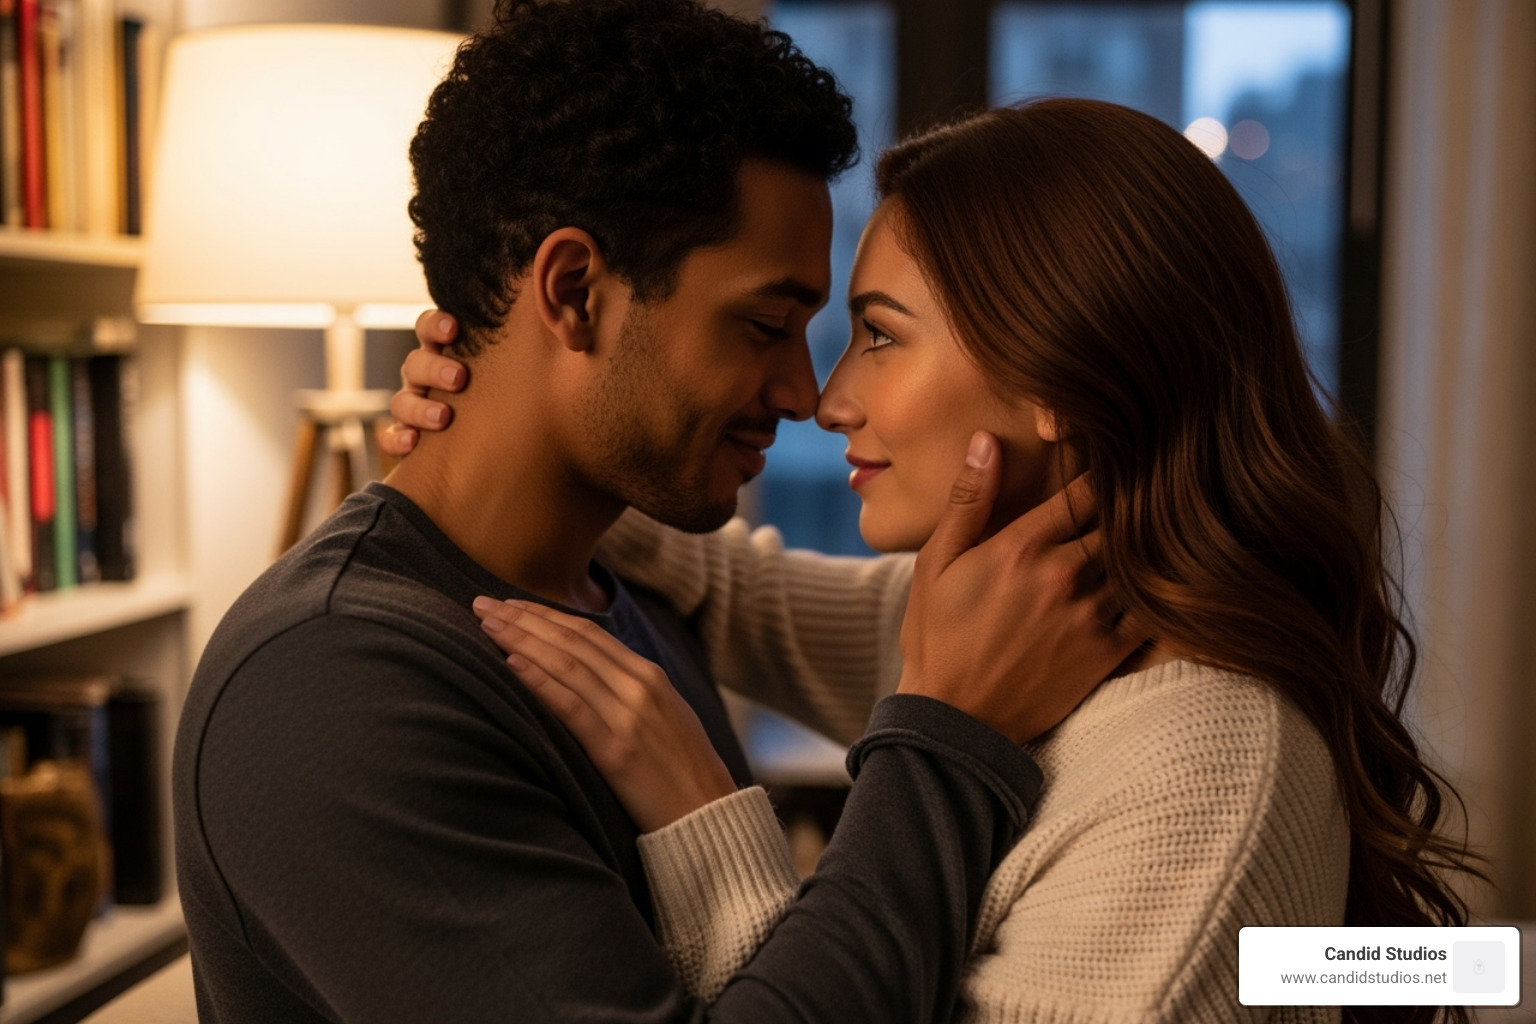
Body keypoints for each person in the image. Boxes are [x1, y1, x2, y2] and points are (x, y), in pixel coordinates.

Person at [391, 98, 1482, 1024]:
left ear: (1055, 368)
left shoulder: (1199, 771)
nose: (830, 399)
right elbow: (738, 593)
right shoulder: (1055, 621)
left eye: (879, 333)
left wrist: (707, 822)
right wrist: (508, 430)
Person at [173, 4, 1142, 1023]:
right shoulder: (331, 688)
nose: (807, 393)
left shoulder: (626, 585)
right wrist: (943, 746)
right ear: (576, 289)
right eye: (766, 325)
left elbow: (1317, 963)